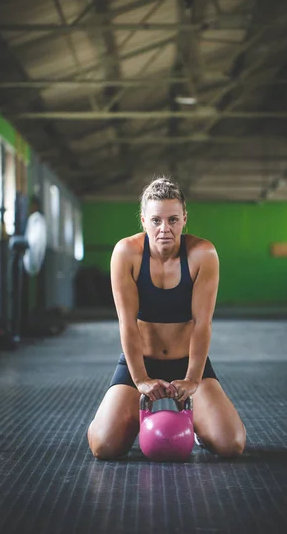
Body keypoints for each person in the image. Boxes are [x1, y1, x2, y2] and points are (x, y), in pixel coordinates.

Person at [87, 177, 246, 459]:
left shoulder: (203, 254)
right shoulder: (126, 253)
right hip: (141, 361)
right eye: (156, 220)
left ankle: (198, 426)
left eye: (173, 219)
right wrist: (141, 380)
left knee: (231, 444)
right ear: (143, 220)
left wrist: (193, 380)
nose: (165, 229)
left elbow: (202, 323)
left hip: (187, 361)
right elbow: (127, 324)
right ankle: (137, 418)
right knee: (104, 446)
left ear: (185, 218)